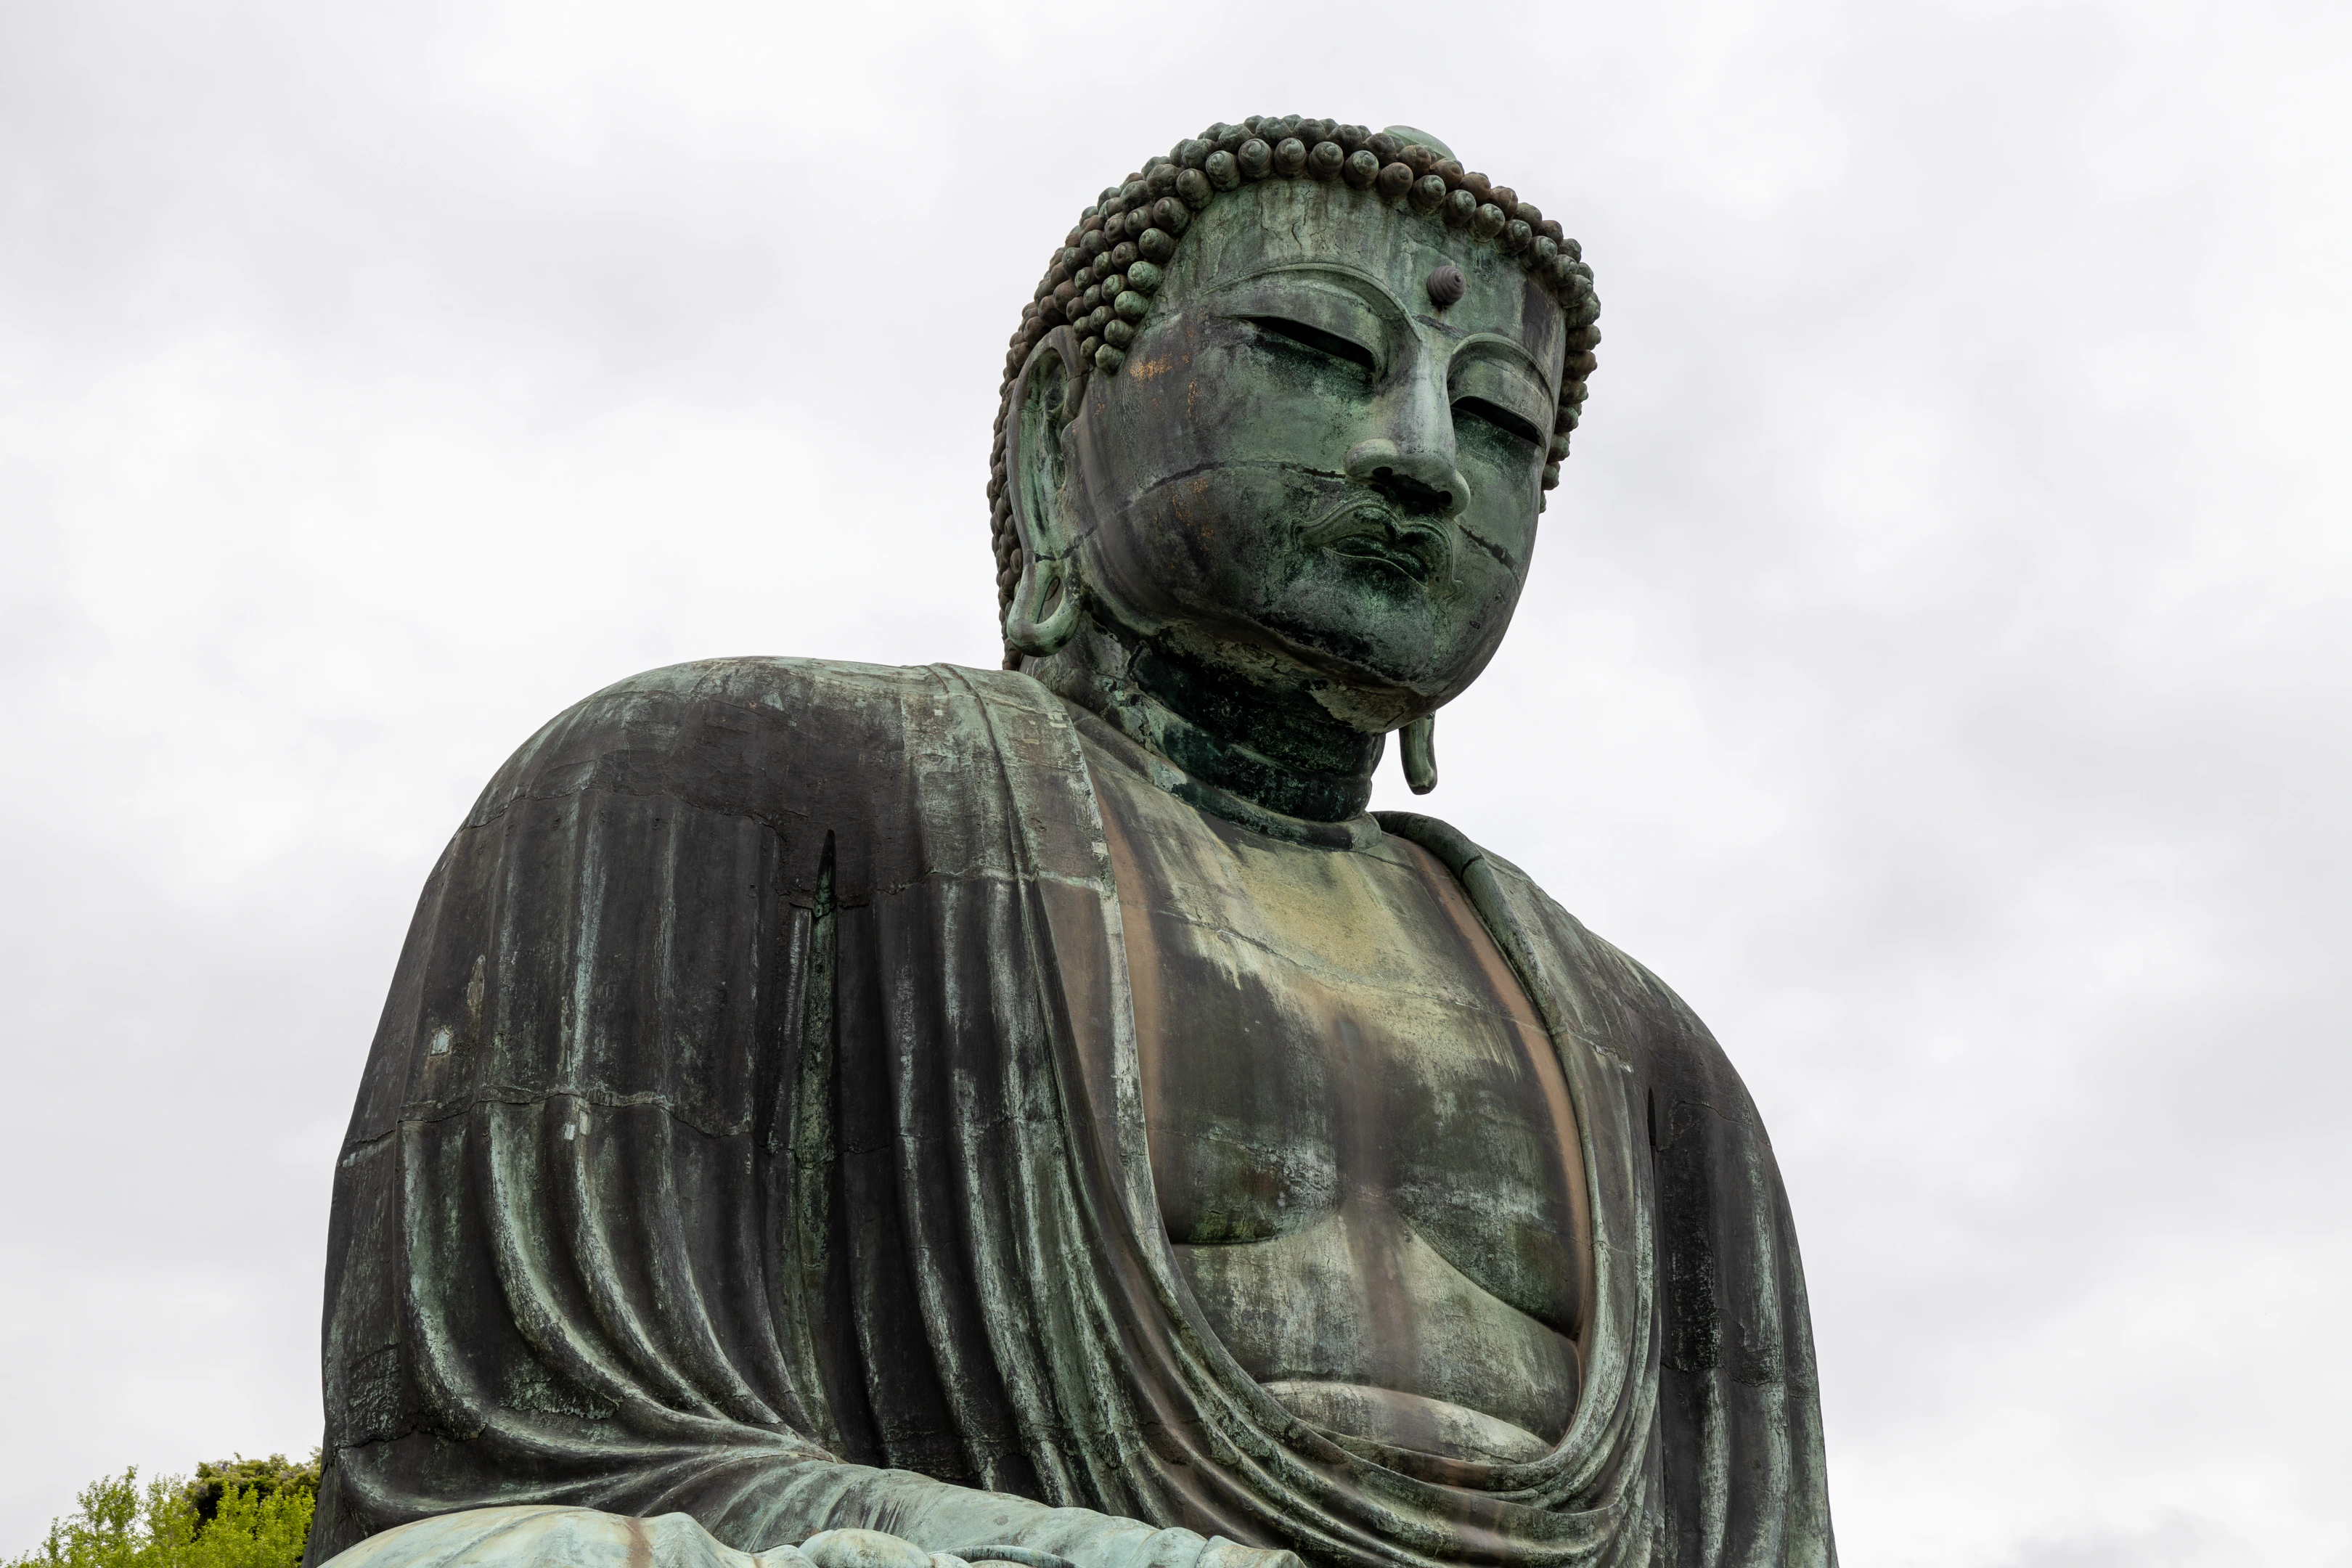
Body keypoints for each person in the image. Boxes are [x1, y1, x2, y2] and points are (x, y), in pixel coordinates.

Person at [303, 118, 1836, 1568]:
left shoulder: (1652, 1065)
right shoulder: (691, 788)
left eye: (1501, 422)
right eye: (1315, 349)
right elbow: (526, 1470)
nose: (1424, 457)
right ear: (1056, 433)